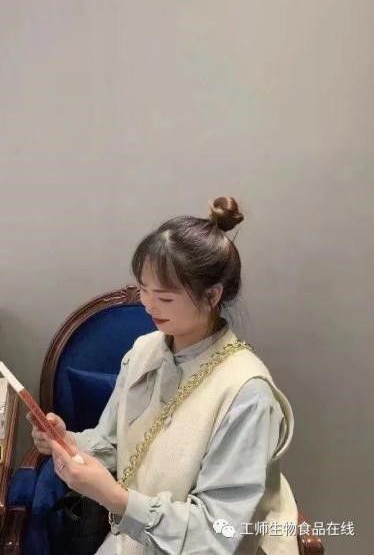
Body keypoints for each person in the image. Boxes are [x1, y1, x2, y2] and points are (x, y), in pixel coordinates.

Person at [28, 197, 298, 554]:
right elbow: (114, 443)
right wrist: (67, 442)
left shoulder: (247, 393)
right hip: (133, 540)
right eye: (143, 289)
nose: (148, 305)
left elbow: (218, 532)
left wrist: (117, 500)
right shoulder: (144, 351)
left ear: (212, 295)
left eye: (165, 298)